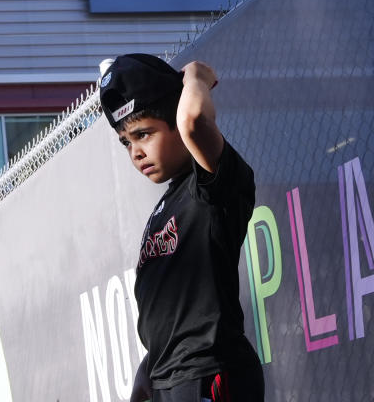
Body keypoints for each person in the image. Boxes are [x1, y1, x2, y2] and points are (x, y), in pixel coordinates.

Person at [97, 54, 264, 402]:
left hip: (210, 375)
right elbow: (174, 314)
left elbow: (194, 119)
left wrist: (196, 77)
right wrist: (149, 368)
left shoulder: (212, 187)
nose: (135, 152)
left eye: (144, 134)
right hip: (169, 381)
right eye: (127, 141)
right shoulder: (163, 208)